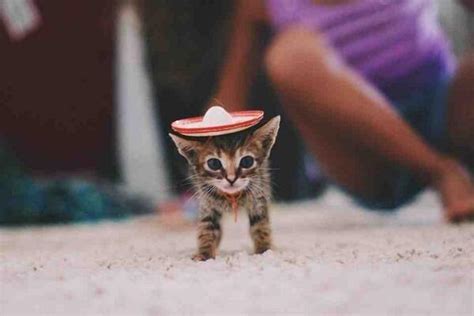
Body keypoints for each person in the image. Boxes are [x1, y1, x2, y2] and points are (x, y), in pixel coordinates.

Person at [213, 0, 474, 222]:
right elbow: (230, 101)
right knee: (290, 56)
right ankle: (440, 173)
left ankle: (452, 173)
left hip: (445, 115)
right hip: (364, 156)